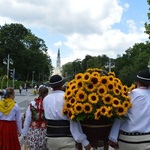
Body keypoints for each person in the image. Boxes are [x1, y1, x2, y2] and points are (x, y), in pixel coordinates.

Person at [43, 74, 91, 150]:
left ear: (51, 86)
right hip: (66, 136)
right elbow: (73, 121)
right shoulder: (67, 97)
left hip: (51, 137)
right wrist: (83, 141)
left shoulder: (46, 99)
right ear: (62, 85)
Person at [108, 69, 150, 150]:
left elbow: (120, 117)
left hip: (127, 140)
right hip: (148, 140)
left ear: (137, 82)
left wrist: (112, 137)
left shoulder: (128, 96)